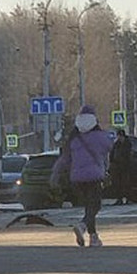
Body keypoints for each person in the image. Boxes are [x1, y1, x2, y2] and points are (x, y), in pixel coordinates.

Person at [51, 105, 114, 247]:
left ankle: (94, 238)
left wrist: (55, 174)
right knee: (95, 206)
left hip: (77, 179)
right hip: (94, 177)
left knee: (89, 207)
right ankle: (82, 226)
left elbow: (64, 159)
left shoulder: (73, 139)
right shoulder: (99, 137)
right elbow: (111, 146)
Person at [109, 129, 132, 205]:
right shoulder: (116, 144)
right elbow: (112, 154)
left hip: (125, 166)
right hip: (117, 166)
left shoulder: (128, 144)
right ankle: (119, 199)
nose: (120, 138)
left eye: (121, 136)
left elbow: (128, 155)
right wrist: (112, 162)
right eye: (119, 136)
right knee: (118, 184)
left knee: (126, 183)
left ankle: (128, 198)